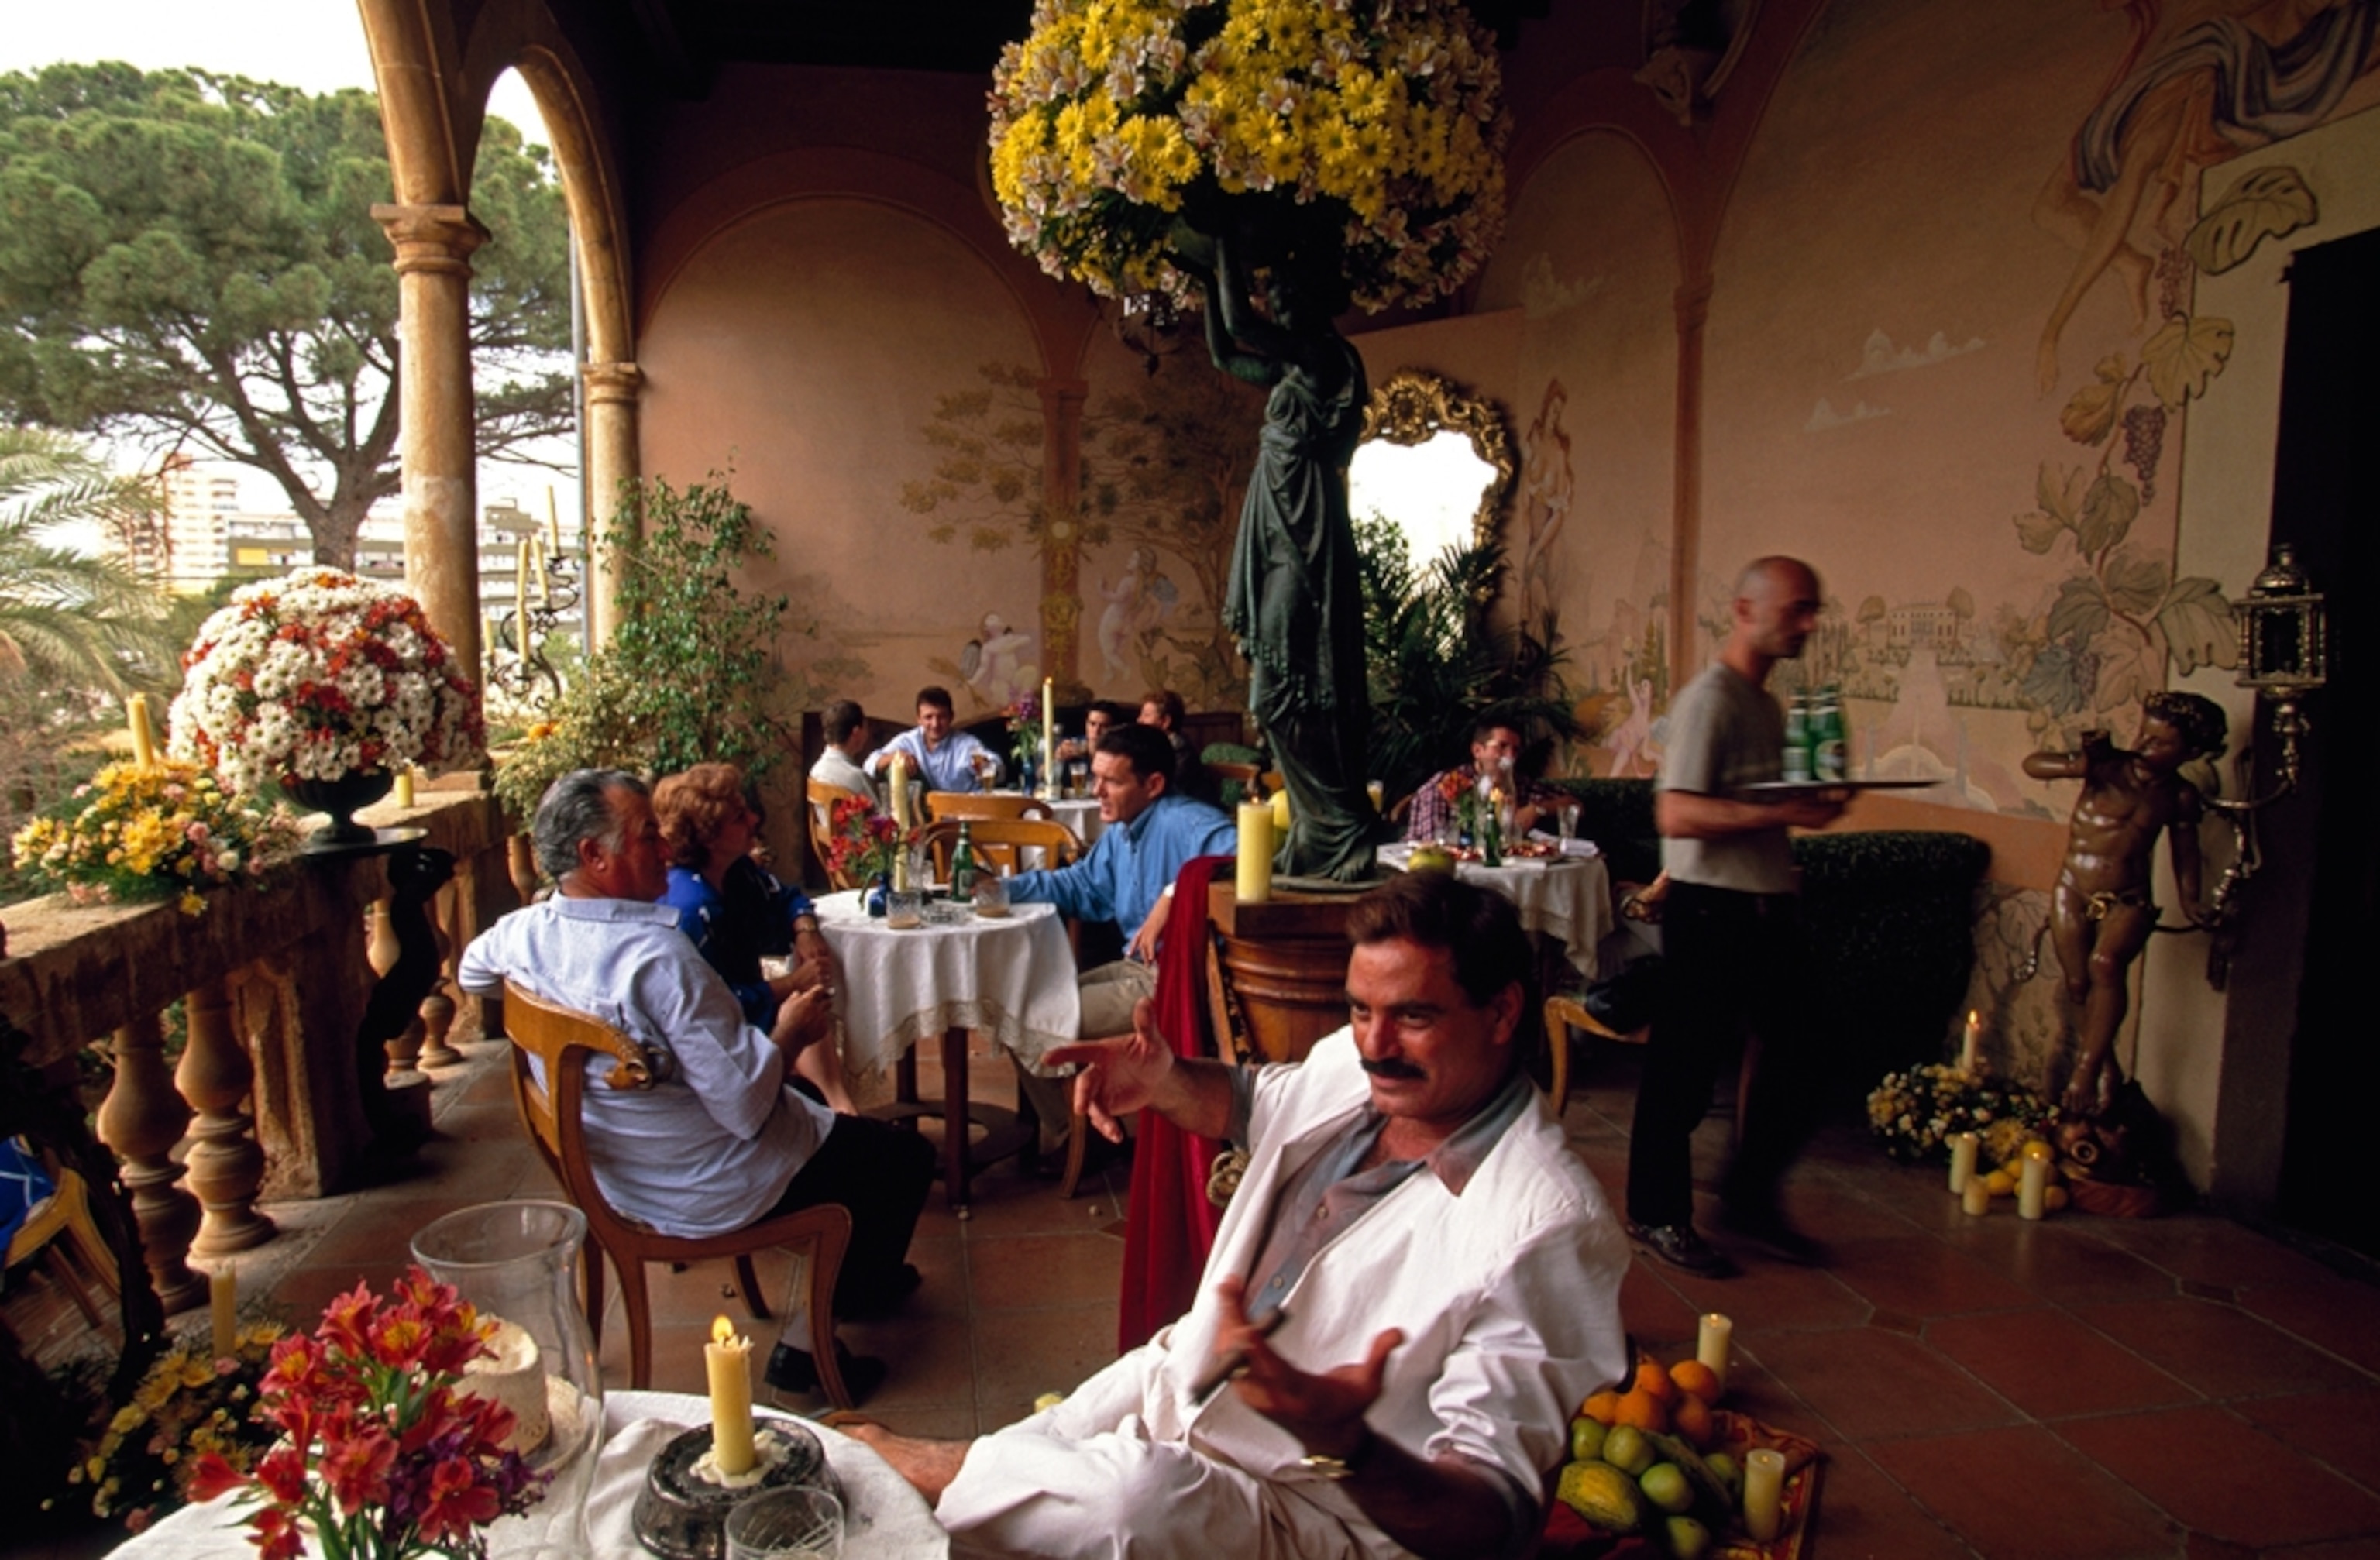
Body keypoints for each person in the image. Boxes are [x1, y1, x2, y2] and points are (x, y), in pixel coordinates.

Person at [843, 872, 1630, 1559]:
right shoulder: (1358, 1067)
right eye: (1360, 1010)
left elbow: (1493, 1520)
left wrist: (1351, 1446)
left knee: (1124, 1501)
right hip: (1181, 1380)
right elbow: (1256, 1102)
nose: (1374, 1043)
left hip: (1317, 1513)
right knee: (995, 1492)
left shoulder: (1549, 1222)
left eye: (1413, 1017)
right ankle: (925, 1469)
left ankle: (905, 1461)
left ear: (1502, 1011)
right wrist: (1166, 1080)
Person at [456, 769, 936, 1402]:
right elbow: (745, 1107)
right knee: (904, 1157)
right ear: (593, 855)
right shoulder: (657, 960)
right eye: (645, 836)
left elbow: (472, 972)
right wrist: (790, 1032)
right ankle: (806, 1349)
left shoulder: (525, 934)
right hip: (705, 1182)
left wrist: (572, 1019)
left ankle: (861, 1278)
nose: (665, 848)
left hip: (616, 1171)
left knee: (845, 1132)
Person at [1625, 556, 1847, 1279]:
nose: (1809, 623)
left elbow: (1756, 807)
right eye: (1797, 609)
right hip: (1709, 908)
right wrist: (1777, 812)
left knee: (1807, 1052)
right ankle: (1656, 1211)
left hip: (1763, 908)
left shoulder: (1766, 705)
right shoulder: (1711, 700)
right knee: (1683, 1072)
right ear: (1747, 611)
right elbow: (1676, 813)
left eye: (1812, 609)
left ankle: (1749, 1202)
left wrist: (1808, 809)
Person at [1189, 227, 1377, 881]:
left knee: (1284, 689)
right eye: (1275, 295)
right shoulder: (1291, 368)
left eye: (1286, 294)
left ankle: (1340, 824)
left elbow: (1243, 324)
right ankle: (1319, 827)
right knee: (1275, 692)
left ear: (1316, 302)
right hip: (1275, 513)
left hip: (1306, 523)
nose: (1276, 304)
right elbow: (1223, 349)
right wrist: (1202, 278)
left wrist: (1219, 239)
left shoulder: (1324, 355)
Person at [1001, 722, 1236, 1154]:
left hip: (1177, 981)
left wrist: (1175, 892)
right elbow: (1081, 886)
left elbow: (1246, 856)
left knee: (1027, 1020)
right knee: (1015, 1005)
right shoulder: (1122, 831)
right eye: (1096, 778)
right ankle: (1078, 1129)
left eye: (1111, 781)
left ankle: (1078, 1141)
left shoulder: (1186, 820)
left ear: (1154, 784)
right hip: (1137, 968)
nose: (1097, 791)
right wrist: (1001, 890)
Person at [2021, 690, 2225, 1116]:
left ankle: (2085, 1069)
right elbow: (2033, 764)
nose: (2144, 744)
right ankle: (2106, 1067)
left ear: (2189, 752)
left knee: (2106, 965)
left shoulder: (2179, 796)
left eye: (2160, 742)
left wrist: (2190, 899)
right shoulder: (2108, 768)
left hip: (2128, 896)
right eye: (2143, 734)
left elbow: (2185, 851)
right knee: (2079, 985)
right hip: (2073, 886)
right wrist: (2079, 764)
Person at [655, 762, 858, 1115]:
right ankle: (838, 1110)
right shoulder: (692, 909)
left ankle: (839, 1107)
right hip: (716, 1050)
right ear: (708, 837)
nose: (754, 819)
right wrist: (791, 983)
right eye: (739, 817)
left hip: (748, 1015)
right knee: (802, 1002)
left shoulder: (738, 871)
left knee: (806, 1001)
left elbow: (787, 896)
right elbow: (717, 1002)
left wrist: (805, 930)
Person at [1403, 717, 1567, 844]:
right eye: (1502, 746)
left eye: (1515, 749)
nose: (1510, 756)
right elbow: (1432, 845)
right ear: (1477, 751)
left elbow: (1573, 803)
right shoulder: (1448, 784)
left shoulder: (1519, 783)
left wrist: (1537, 809)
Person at [866, 686, 1003, 794]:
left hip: (964, 814)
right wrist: (893, 756)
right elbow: (869, 766)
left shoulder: (966, 744)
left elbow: (997, 769)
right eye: (928, 717)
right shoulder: (908, 741)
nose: (935, 724)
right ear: (918, 719)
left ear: (951, 717)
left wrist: (985, 766)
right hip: (922, 816)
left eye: (942, 717)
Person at [1139, 686, 1216, 803]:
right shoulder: (1152, 746)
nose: (1139, 720)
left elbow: (1164, 790)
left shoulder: (1181, 750)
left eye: (1146, 715)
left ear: (1165, 721)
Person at [810, 699, 879, 803]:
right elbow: (878, 812)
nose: (867, 734)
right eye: (866, 727)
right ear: (856, 733)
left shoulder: (816, 771)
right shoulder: (857, 778)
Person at [1055, 699, 1127, 765]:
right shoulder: (1072, 744)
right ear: (1086, 723)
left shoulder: (1121, 753)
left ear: (1113, 728)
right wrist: (1057, 759)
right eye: (1092, 724)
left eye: (1104, 726)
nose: (1096, 730)